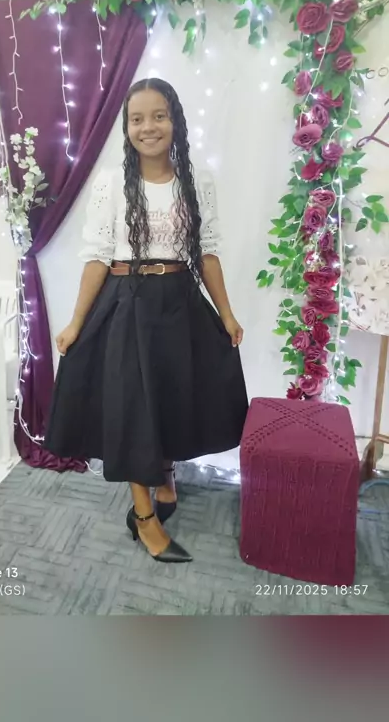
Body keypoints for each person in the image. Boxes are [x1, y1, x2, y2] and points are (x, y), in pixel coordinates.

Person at [44, 78, 249, 564]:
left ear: (175, 121)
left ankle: (166, 473)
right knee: (133, 409)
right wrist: (75, 322)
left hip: (179, 301)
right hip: (126, 303)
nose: (148, 127)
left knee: (173, 393)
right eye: (137, 119)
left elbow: (207, 252)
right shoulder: (112, 183)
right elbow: (97, 256)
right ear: (126, 127)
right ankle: (143, 516)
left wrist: (227, 313)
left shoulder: (197, 182)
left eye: (159, 116)